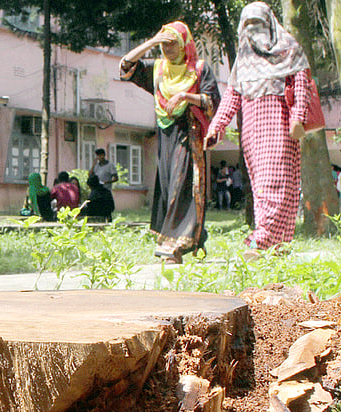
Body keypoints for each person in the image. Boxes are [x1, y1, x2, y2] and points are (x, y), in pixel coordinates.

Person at [206, 2, 318, 252]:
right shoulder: (243, 60)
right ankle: (278, 245)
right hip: (251, 131)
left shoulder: (289, 49)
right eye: (247, 25)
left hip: (281, 127)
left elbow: (301, 86)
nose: (252, 30)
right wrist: (217, 126)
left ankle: (262, 238)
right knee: (260, 187)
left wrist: (298, 117)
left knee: (276, 182)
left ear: (269, 23)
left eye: (257, 23)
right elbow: (232, 96)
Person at [120, 21, 220, 262]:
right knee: (168, 188)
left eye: (172, 43)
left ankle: (176, 244)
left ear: (184, 44)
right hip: (166, 137)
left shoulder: (198, 69)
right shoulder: (158, 70)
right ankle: (195, 237)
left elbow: (213, 100)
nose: (168, 49)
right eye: (164, 45)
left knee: (182, 185)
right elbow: (125, 67)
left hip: (190, 135)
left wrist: (186, 95)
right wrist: (153, 42)